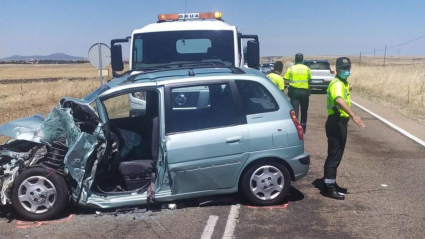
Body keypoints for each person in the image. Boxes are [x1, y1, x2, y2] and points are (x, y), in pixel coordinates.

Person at [322, 57, 365, 200]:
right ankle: (328, 188)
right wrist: (354, 115)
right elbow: (338, 100)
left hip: (339, 122)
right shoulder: (336, 84)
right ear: (337, 69)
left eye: (348, 68)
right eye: (343, 69)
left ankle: (331, 183)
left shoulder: (341, 82)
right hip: (336, 122)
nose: (346, 71)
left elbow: (343, 91)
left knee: (337, 155)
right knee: (334, 156)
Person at [284, 53, 311, 133]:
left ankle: (295, 128)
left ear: (295, 59)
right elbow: (309, 79)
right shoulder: (307, 68)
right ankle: (303, 127)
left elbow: (286, 81)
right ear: (302, 59)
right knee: (304, 110)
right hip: (304, 92)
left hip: (294, 92)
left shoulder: (291, 69)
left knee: (295, 111)